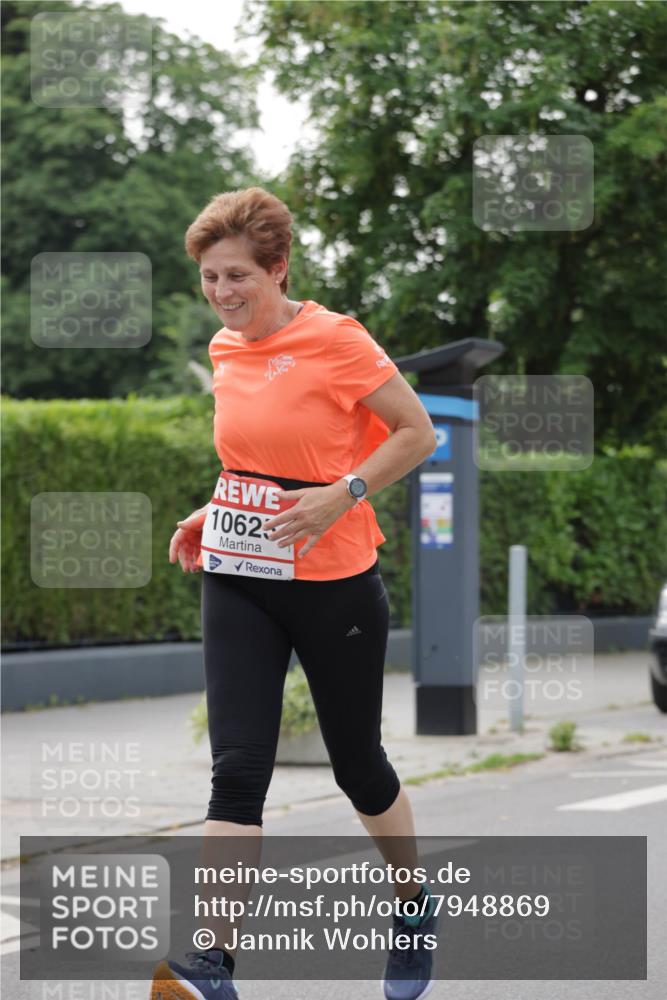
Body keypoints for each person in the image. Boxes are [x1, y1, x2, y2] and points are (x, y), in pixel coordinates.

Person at [151, 187, 439, 1000]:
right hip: (241, 576)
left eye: (237, 275)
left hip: (335, 583)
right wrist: (214, 511)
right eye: (209, 277)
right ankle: (213, 962)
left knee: (358, 767)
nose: (222, 293)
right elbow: (256, 461)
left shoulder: (335, 340)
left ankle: (412, 905)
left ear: (277, 269)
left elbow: (417, 433)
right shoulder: (222, 348)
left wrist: (343, 491)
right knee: (237, 768)